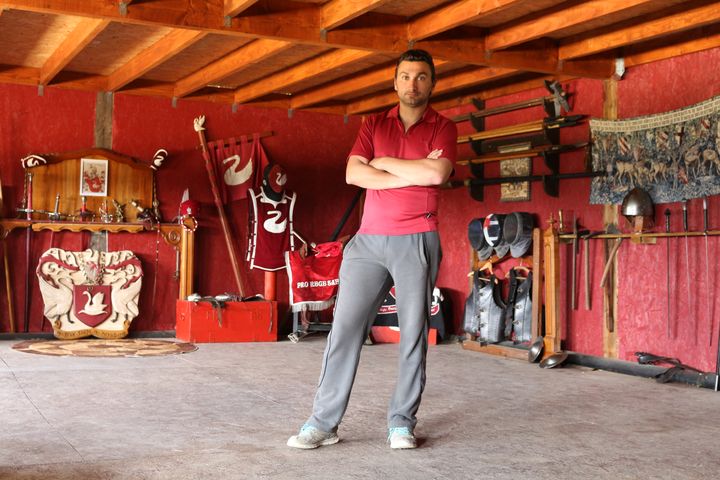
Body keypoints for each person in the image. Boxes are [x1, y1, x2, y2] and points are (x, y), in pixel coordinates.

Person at [287, 49, 457, 450]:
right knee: (344, 329)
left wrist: (381, 166)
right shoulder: (373, 123)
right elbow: (353, 173)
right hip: (367, 242)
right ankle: (323, 423)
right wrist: (406, 170)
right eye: (405, 76)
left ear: (431, 83)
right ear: (394, 81)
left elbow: (436, 173)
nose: (412, 83)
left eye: (420, 77)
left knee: (413, 332)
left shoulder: (443, 127)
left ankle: (401, 423)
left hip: (417, 238)